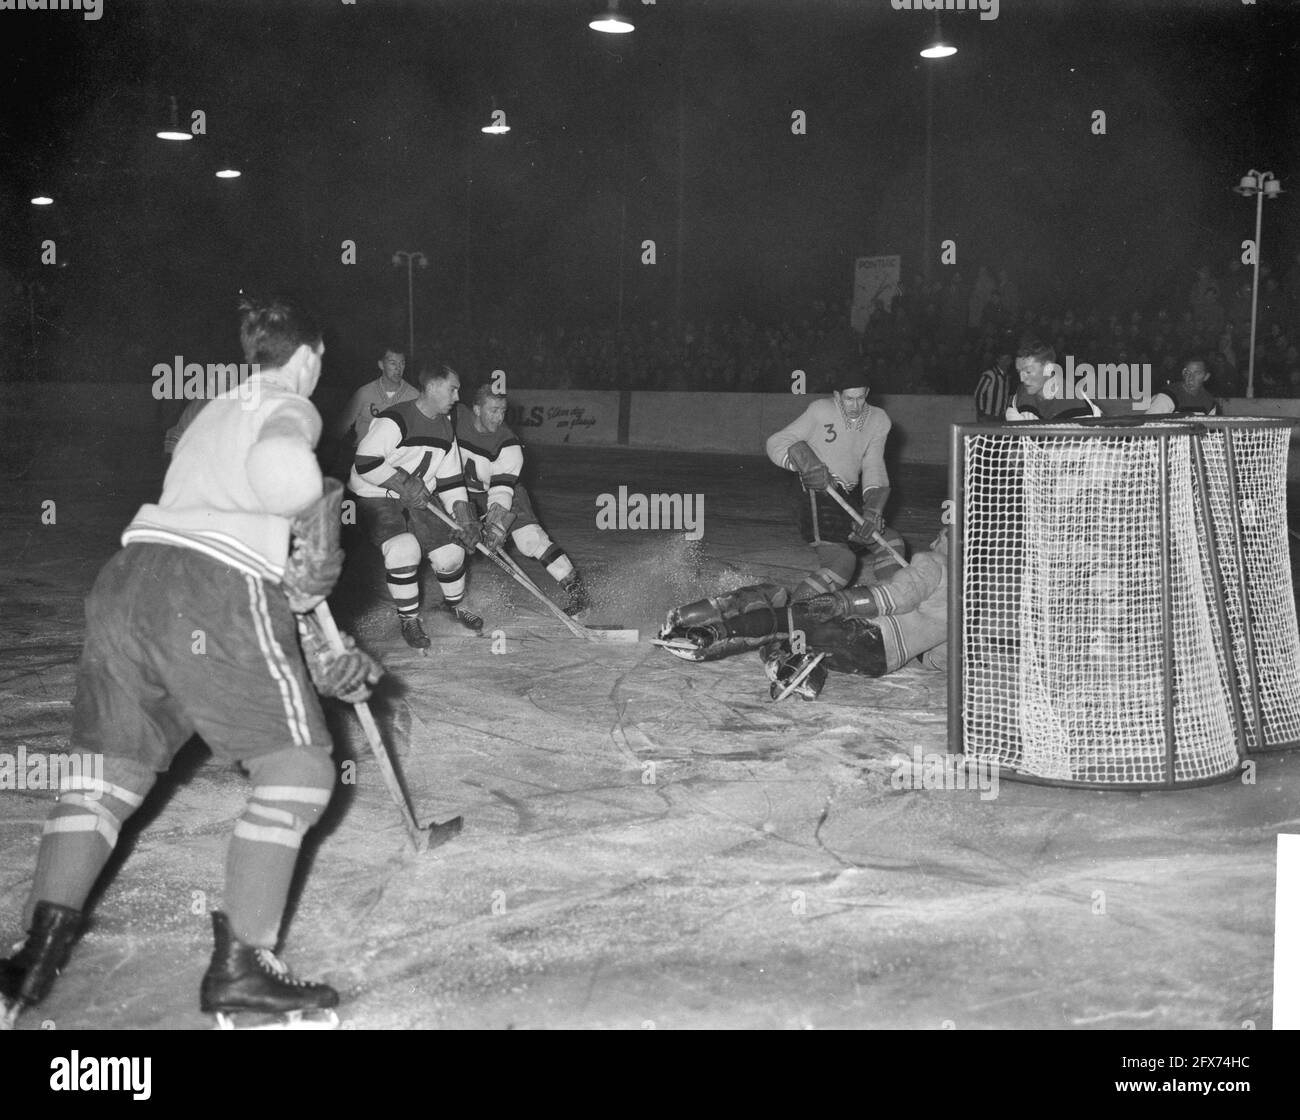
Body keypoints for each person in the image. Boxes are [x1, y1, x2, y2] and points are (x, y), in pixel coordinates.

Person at [1, 295, 381, 1030]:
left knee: (104, 780)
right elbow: (277, 476)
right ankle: (244, 967)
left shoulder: (214, 406)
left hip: (131, 580)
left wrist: (296, 592)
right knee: (298, 767)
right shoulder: (288, 404)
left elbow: (208, 486)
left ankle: (32, 956)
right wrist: (313, 506)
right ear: (308, 357)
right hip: (211, 590)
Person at [657, 529, 950, 701]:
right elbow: (938, 659)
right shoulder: (970, 596)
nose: (936, 542)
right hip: (878, 662)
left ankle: (707, 631)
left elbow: (895, 596)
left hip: (864, 629)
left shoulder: (934, 562)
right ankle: (799, 666)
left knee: (780, 616)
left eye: (944, 535)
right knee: (796, 631)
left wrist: (844, 602)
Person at [349, 362, 483, 649]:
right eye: (453, 389)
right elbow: (365, 462)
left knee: (451, 552)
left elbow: (450, 481)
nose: (458, 397)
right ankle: (409, 618)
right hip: (376, 496)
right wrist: (403, 483)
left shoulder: (446, 428)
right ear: (432, 387)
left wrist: (464, 516)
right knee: (404, 548)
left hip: (420, 498)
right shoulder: (396, 419)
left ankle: (455, 606)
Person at [766, 373, 906, 601]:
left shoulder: (879, 420)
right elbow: (777, 442)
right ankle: (792, 616)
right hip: (813, 490)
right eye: (849, 399)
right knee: (842, 562)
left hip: (845, 494)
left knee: (890, 542)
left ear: (867, 393)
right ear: (836, 395)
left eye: (860, 398)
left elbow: (874, 466)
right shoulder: (820, 410)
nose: (855, 405)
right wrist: (803, 465)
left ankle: (887, 602)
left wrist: (874, 509)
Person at [453, 385, 590, 614]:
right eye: (493, 410)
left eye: (503, 411)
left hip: (505, 491)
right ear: (476, 409)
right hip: (463, 492)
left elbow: (502, 490)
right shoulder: (455, 416)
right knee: (451, 545)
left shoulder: (508, 443)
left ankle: (578, 594)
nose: (499, 417)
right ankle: (453, 601)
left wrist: (496, 524)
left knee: (530, 541)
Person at [1005, 338, 1099, 421]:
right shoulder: (1022, 393)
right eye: (1019, 372)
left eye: (1028, 372)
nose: (1022, 379)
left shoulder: (1074, 405)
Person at [1146, 355, 1220, 416]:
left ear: (1206, 376)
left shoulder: (1209, 401)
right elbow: (1147, 426)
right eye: (1187, 373)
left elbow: (1210, 430)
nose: (1191, 378)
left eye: (1197, 373)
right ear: (1183, 373)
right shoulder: (1168, 396)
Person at [974, 346, 1014, 421]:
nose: (1006, 362)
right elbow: (978, 393)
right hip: (988, 416)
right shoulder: (990, 375)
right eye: (1004, 359)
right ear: (998, 360)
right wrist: (981, 413)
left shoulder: (1007, 377)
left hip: (1001, 416)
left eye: (1008, 359)